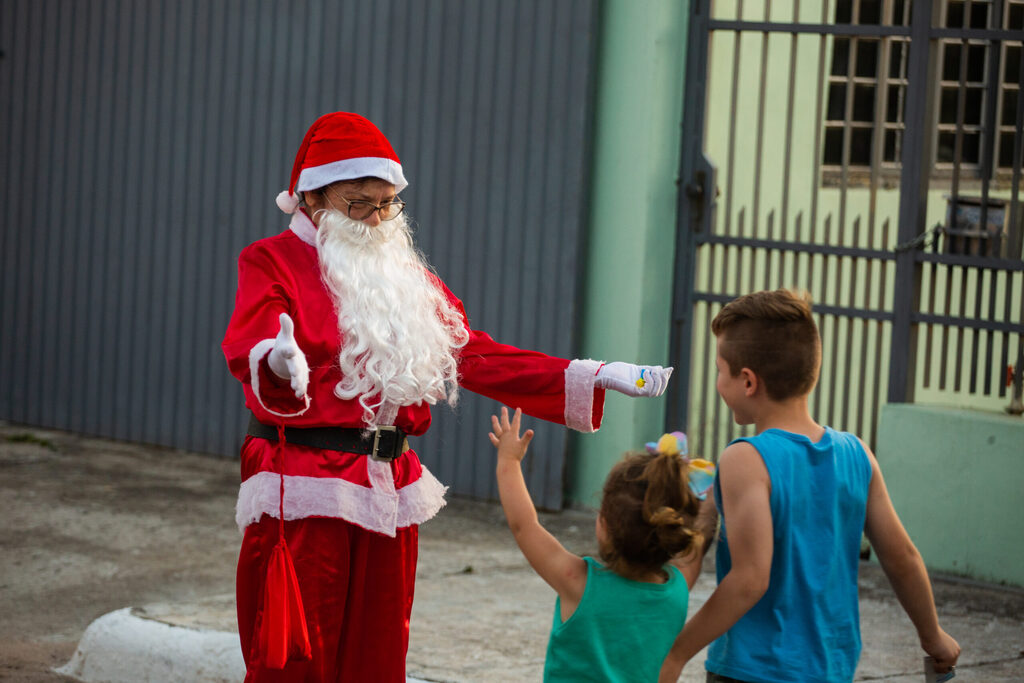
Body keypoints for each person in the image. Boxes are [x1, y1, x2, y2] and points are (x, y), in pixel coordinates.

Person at [221, 111, 674, 682]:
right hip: (307, 487)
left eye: (389, 203)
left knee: (378, 660)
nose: (378, 218)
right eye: (360, 202)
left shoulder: (400, 272)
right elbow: (254, 335)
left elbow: (473, 352)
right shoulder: (271, 259)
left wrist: (587, 375)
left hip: (388, 486)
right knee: (296, 663)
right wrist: (276, 359)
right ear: (313, 198)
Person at [658, 289, 961, 683]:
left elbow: (750, 578)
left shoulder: (745, 458)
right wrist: (933, 637)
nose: (718, 381)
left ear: (748, 380)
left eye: (720, 370)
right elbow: (902, 556)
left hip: (754, 672)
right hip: (831, 669)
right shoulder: (857, 455)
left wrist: (677, 653)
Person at [490, 406, 718, 682]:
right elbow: (701, 535)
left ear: (605, 526)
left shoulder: (579, 584)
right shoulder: (677, 591)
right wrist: (709, 494)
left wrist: (509, 460)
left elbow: (524, 526)